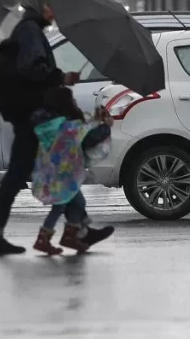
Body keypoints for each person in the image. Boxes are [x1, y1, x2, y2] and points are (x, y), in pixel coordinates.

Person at [0, 0, 79, 255]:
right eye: (48, 4)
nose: (52, 10)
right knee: (28, 172)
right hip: (32, 115)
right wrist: (59, 77)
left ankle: (79, 226)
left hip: (30, 114)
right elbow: (31, 69)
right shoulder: (30, 30)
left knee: (55, 168)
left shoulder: (29, 29)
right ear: (36, 4)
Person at [30, 87, 116, 254]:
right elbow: (85, 136)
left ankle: (72, 233)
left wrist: (95, 120)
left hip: (51, 173)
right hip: (64, 176)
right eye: (73, 100)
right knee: (61, 205)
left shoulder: (50, 125)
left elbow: (81, 129)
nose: (75, 102)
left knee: (75, 203)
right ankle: (50, 238)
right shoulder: (66, 126)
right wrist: (105, 126)